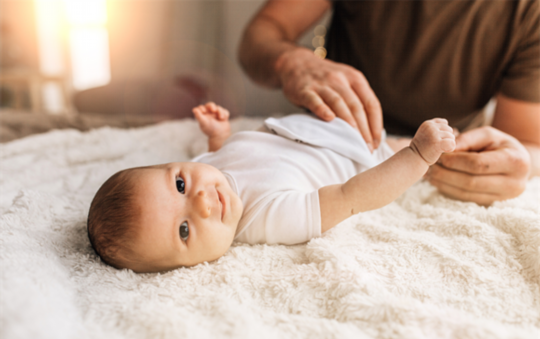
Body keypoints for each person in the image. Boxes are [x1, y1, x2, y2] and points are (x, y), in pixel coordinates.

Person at [87, 102, 455, 273]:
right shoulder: (267, 218)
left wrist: (220, 136)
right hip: (364, 154)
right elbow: (352, 196)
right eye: (184, 230)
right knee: (448, 147)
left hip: (327, 121)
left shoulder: (206, 169)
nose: (200, 202)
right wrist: (417, 155)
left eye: (180, 184)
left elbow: (227, 157)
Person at [238, 0, 540, 206]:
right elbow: (259, 37)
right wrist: (290, 62)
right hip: (325, 142)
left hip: (441, 169)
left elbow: (527, 143)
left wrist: (519, 165)